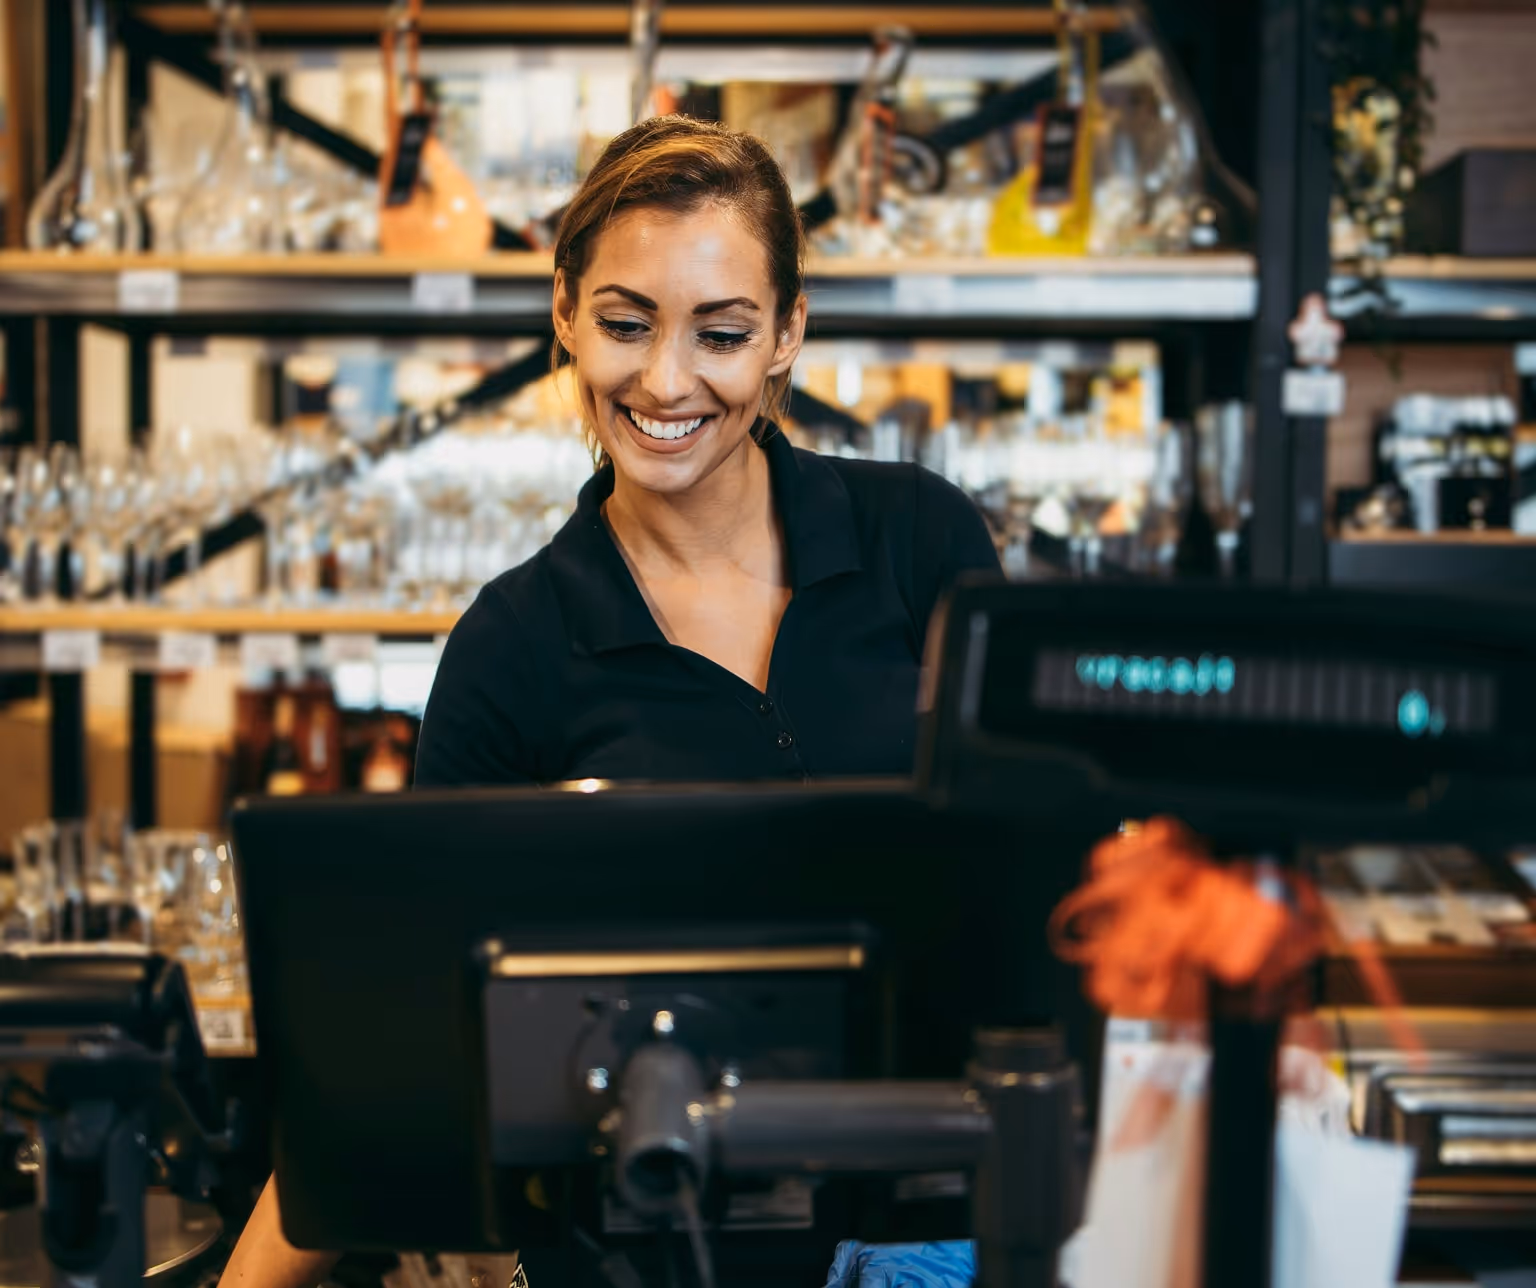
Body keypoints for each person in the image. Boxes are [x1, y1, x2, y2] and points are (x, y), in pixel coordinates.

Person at [219, 115, 999, 1288]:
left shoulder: (920, 540)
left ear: (788, 332)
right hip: (646, 1252)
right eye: (626, 324)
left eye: (721, 333)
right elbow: (415, 1035)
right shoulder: (511, 647)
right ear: (566, 314)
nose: (666, 381)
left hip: (925, 1232)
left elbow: (1022, 886)